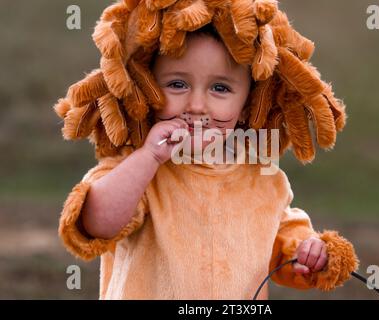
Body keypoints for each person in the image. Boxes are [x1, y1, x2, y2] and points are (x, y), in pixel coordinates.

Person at [54, 0, 358, 299]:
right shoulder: (138, 168)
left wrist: (310, 253)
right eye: (177, 84)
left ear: (246, 104)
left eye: (220, 88)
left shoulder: (264, 179)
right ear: (146, 87)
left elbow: (284, 244)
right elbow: (96, 225)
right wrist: (148, 158)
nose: (197, 106)